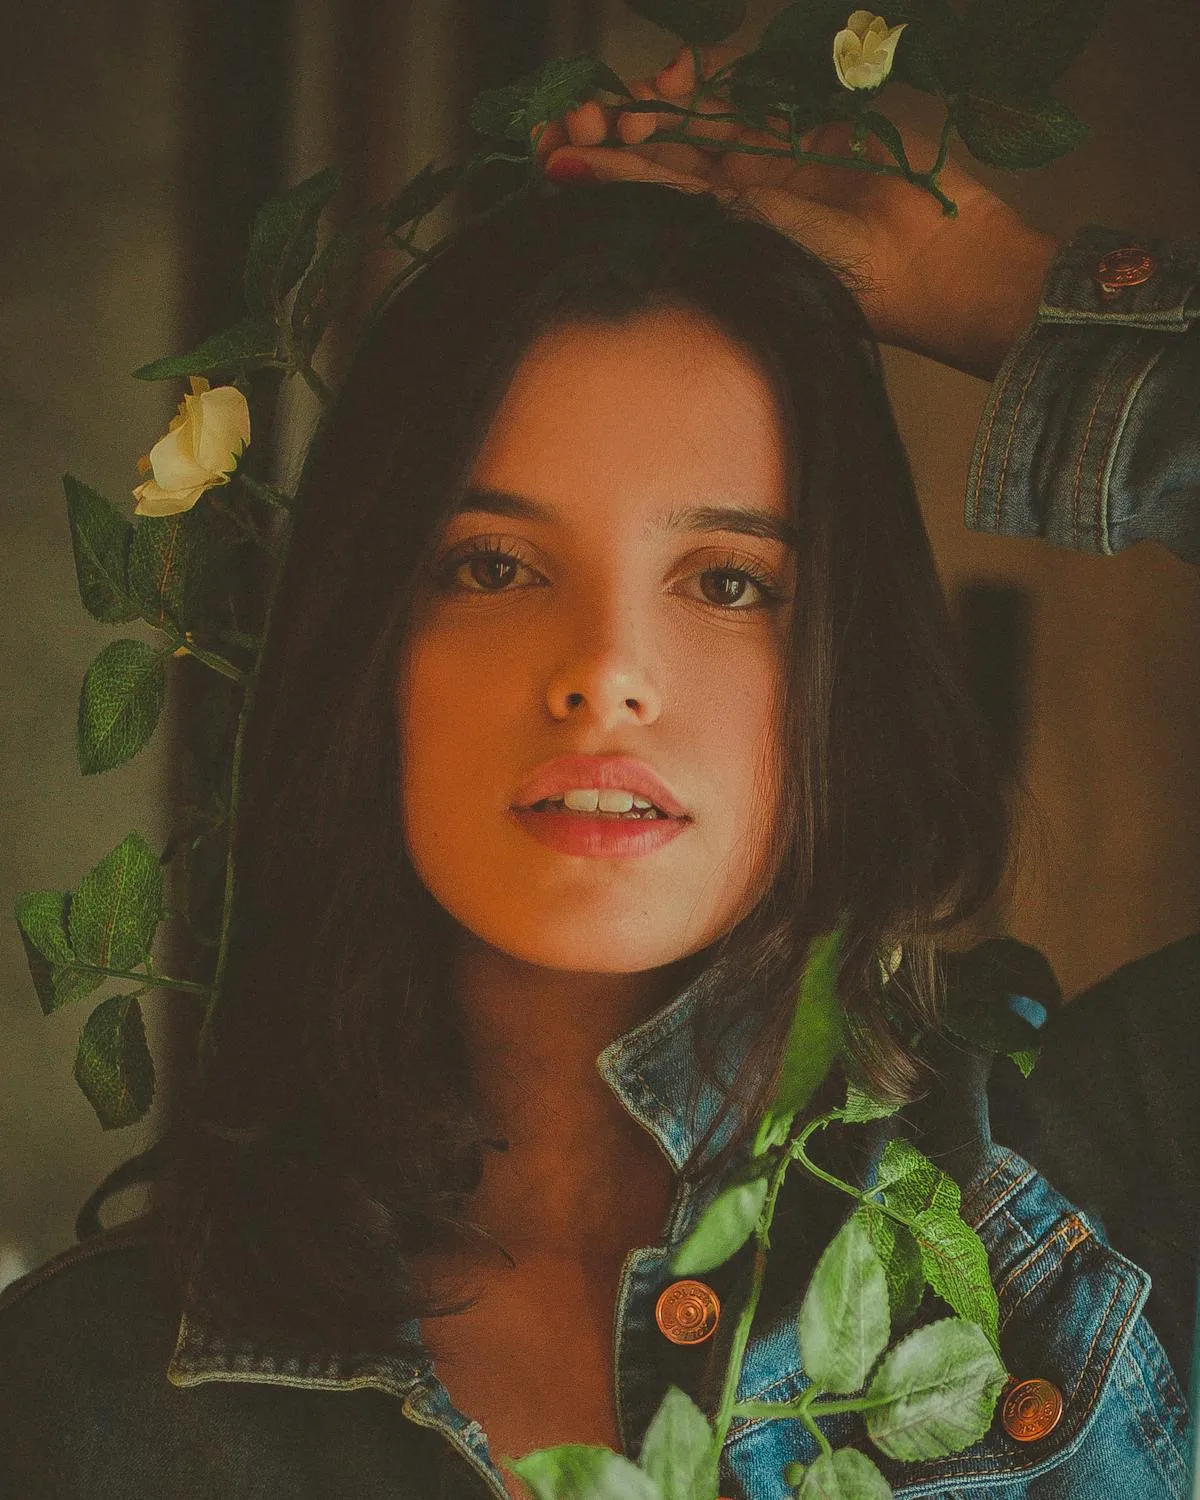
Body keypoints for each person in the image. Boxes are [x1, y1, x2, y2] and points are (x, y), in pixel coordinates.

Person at [0, 41, 1193, 1500]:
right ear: (364, 653)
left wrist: (1019, 302)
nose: (606, 670)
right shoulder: (91, 1392)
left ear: (848, 674)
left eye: (732, 582)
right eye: (492, 565)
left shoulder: (1102, 1189)